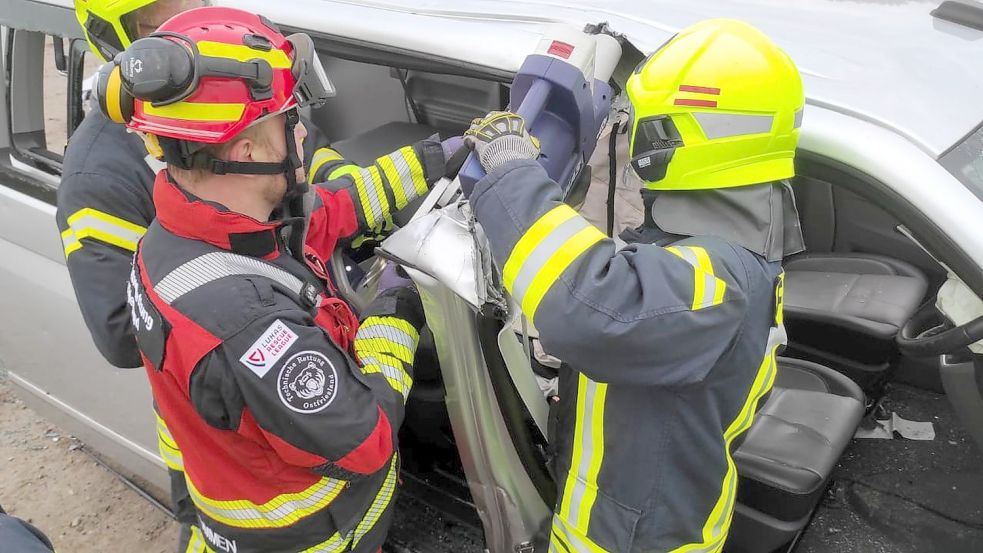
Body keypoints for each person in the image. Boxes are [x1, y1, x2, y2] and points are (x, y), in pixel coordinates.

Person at [101, 7, 446, 552]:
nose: (304, 129)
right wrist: (395, 315)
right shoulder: (246, 323)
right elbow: (367, 439)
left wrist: (439, 157)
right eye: (290, 118)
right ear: (248, 151)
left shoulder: (189, 232)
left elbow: (328, 213)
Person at [462, 19, 805, 552]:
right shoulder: (730, 231)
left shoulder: (720, 278)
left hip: (626, 536)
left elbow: (591, 305)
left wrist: (513, 176)